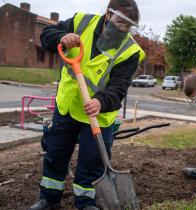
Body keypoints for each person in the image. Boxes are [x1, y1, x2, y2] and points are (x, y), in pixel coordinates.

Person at [29, 1, 145, 210]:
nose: (123, 29)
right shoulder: (81, 22)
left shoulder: (130, 51)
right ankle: (49, 198)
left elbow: (119, 88)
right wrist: (60, 38)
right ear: (108, 14)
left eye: (129, 26)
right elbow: (46, 35)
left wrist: (101, 101)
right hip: (66, 106)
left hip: (99, 115)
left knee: (92, 161)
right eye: (120, 22)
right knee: (55, 153)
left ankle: (86, 202)